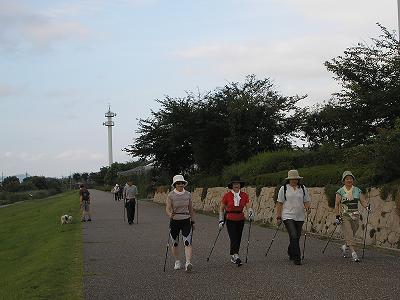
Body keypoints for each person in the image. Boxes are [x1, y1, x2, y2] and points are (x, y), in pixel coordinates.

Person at [275, 170, 310, 265]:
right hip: (287, 215)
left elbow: (306, 201)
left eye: (296, 179)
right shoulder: (284, 188)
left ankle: (290, 251)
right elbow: (279, 203)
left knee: (296, 237)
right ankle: (297, 257)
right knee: (294, 234)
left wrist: (308, 208)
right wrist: (278, 217)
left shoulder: (302, 188)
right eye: (293, 179)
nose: (295, 180)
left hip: (300, 216)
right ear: (289, 179)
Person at [335, 171, 370, 262]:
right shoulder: (340, 191)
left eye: (350, 178)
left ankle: (345, 246)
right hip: (345, 215)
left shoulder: (357, 190)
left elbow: (362, 201)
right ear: (343, 180)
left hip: (355, 215)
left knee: (353, 231)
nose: (349, 180)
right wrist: (337, 216)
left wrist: (366, 207)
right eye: (347, 179)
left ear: (353, 180)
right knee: (349, 233)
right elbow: (337, 204)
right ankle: (353, 253)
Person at [218, 176, 254, 266]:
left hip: (240, 219)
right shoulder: (227, 196)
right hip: (230, 219)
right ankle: (236, 255)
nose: (236, 185)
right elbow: (221, 209)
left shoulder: (244, 195)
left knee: (238, 238)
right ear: (232, 185)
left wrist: (250, 211)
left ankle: (234, 255)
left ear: (240, 185)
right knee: (233, 237)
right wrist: (221, 220)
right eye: (234, 184)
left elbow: (248, 205)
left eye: (238, 183)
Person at [165, 174, 195, 272]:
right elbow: (168, 208)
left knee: (187, 242)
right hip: (175, 220)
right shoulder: (171, 195)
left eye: (182, 183)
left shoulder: (188, 194)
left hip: (186, 219)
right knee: (175, 243)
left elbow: (191, 209)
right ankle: (177, 261)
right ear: (175, 184)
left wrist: (193, 221)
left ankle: (188, 263)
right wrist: (170, 214)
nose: (180, 185)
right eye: (178, 183)